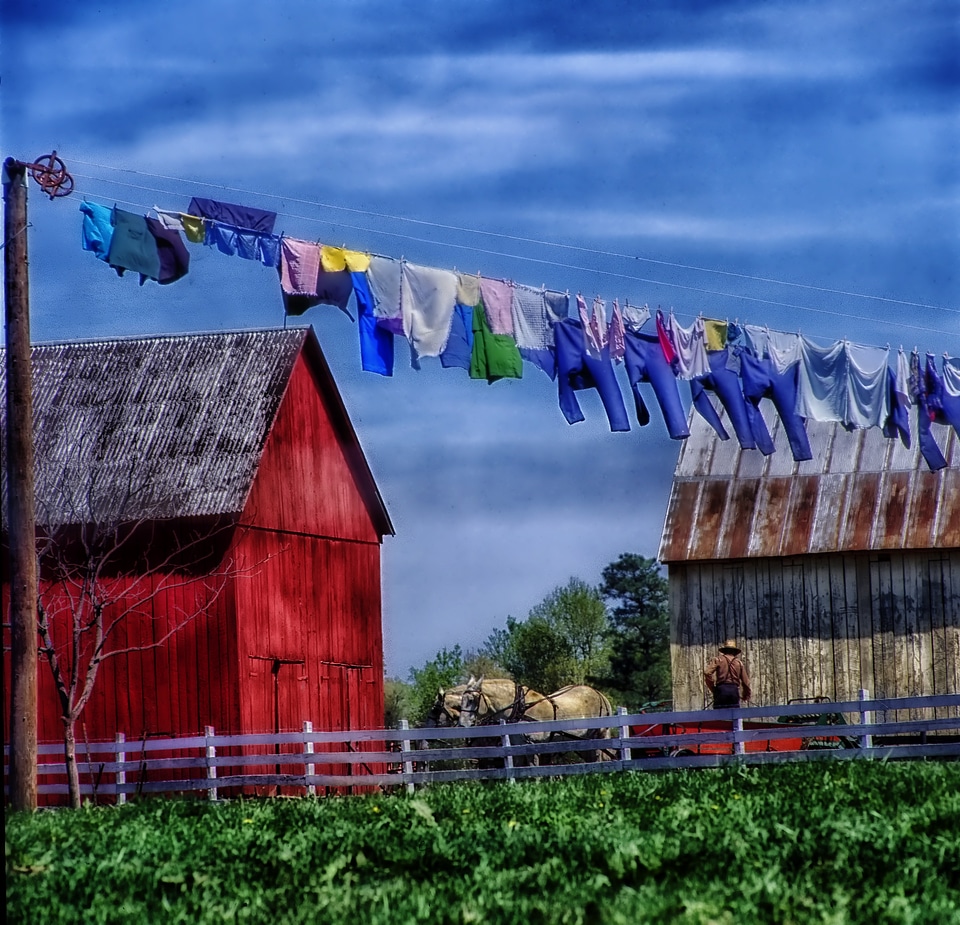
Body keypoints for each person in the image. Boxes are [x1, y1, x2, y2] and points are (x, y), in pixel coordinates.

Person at [704, 639, 752, 708]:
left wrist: (713, 688)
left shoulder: (718, 660)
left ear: (724, 650)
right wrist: (746, 695)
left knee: (719, 716)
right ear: (734, 651)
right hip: (734, 691)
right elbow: (746, 682)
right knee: (734, 715)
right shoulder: (739, 663)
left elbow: (707, 673)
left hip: (721, 690)